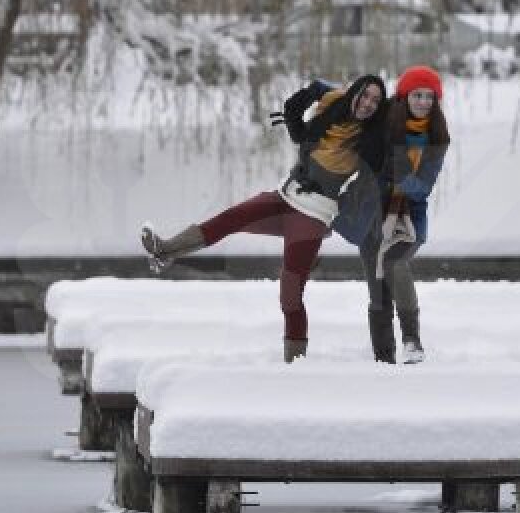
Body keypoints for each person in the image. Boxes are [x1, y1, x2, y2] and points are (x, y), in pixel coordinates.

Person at [140, 75, 388, 362]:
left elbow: (375, 177)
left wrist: (345, 202)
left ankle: (294, 363)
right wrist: (313, 90)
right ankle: (165, 250)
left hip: (313, 216)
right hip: (284, 198)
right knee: (230, 218)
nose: (368, 103)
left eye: (376, 101)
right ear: (354, 92)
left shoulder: (371, 137)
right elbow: (302, 113)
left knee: (290, 293)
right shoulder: (333, 104)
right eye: (365, 95)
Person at [361, 65, 451, 364]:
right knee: (378, 290)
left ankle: (412, 342)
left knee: (393, 262)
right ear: (404, 96)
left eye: (430, 96)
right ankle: (382, 359)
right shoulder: (384, 123)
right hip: (372, 216)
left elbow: (420, 187)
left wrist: (391, 178)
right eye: (418, 94)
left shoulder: (436, 136)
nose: (424, 101)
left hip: (410, 218)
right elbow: (354, 106)